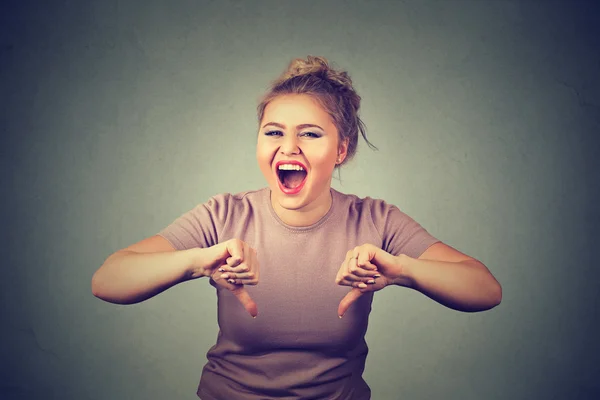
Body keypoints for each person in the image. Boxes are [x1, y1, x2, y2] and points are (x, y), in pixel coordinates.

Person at [91, 55, 502, 400]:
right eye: (273, 132)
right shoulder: (224, 215)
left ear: (341, 149)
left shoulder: (376, 220)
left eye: (310, 133)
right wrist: (197, 262)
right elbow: (108, 280)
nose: (288, 147)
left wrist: (403, 270)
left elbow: (485, 289)